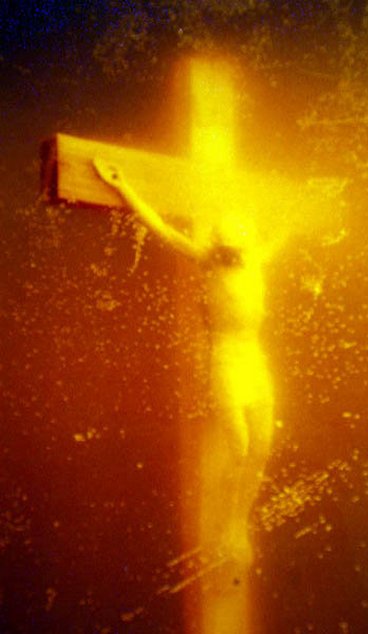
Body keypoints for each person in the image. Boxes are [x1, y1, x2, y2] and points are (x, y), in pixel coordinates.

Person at [93, 158, 280, 566]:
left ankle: (238, 522)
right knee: (240, 445)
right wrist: (124, 187)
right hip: (226, 359)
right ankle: (229, 525)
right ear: (218, 246)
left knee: (262, 446)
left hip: (254, 359)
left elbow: (286, 232)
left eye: (236, 249)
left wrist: (315, 201)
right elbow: (160, 229)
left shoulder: (256, 258)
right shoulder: (206, 258)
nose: (231, 255)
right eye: (225, 248)